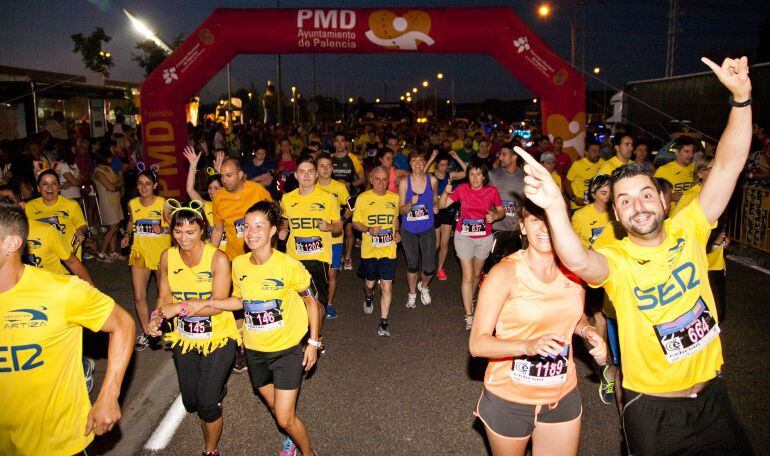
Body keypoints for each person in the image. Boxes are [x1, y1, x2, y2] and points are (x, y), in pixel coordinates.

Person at [513, 56, 754, 456]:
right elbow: (578, 260)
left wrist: (742, 100)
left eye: (645, 195)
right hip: (653, 410)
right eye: (624, 200)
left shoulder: (690, 227)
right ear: (617, 213)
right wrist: (555, 206)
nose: (637, 206)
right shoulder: (617, 259)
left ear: (663, 199)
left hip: (713, 398)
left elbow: (729, 164)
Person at [469, 199, 607, 456]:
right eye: (534, 220)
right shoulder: (504, 273)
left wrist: (587, 331)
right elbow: (478, 344)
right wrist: (527, 346)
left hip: (561, 393)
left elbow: (572, 315)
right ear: (522, 227)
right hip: (509, 398)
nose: (544, 228)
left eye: (550, 220)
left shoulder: (574, 271)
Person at [0, 196, 134, 455]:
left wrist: (109, 394)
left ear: (12, 243)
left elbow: (123, 324)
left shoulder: (62, 292)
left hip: (57, 442)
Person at [197, 201, 320, 456]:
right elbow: (240, 300)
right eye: (246, 226)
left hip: (286, 349)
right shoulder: (239, 264)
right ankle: (292, 437)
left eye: (259, 226)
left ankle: (308, 452)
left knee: (284, 417)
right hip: (255, 351)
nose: (251, 232)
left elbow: (312, 301)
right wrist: (210, 303)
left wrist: (313, 342)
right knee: (278, 410)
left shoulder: (288, 265)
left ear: (273, 230)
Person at [147, 202, 239, 456]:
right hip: (184, 337)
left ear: (202, 230)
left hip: (219, 337)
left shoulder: (218, 259)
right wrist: (156, 317)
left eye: (190, 231)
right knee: (191, 402)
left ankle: (210, 449)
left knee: (207, 404)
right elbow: (164, 297)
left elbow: (218, 305)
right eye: (178, 232)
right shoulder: (167, 257)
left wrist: (179, 308)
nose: (184, 238)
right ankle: (217, 387)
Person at [279, 156, 342, 335]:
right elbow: (284, 222)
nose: (306, 175)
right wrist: (283, 230)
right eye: (302, 172)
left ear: (315, 176)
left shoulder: (328, 198)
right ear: (296, 176)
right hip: (294, 259)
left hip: (318, 259)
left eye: (310, 171)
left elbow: (338, 227)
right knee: (296, 302)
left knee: (317, 302)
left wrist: (329, 226)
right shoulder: (287, 199)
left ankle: (315, 337)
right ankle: (302, 336)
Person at [439, 163, 504, 330]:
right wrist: (445, 193)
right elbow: (441, 206)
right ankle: (469, 315)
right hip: (464, 236)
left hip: (484, 237)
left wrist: (495, 217)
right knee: (467, 277)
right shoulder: (461, 189)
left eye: (478, 174)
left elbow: (501, 210)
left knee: (476, 275)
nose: (475, 178)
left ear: (484, 176)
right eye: (472, 174)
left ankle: (472, 296)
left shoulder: (492, 191)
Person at [671, 155, 728, 322]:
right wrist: (711, 240)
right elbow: (677, 231)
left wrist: (723, 238)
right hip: (698, 263)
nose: (716, 173)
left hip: (717, 261)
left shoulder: (719, 194)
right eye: (711, 169)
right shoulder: (690, 197)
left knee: (719, 313)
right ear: (701, 173)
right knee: (704, 315)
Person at [121, 169, 171, 351]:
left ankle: (165, 326)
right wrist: (127, 235)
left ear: (155, 186)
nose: (144, 187)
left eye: (148, 183)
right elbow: (131, 222)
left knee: (163, 294)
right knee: (139, 296)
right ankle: (147, 332)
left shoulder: (163, 204)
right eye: (140, 183)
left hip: (160, 254)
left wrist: (164, 230)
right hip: (139, 254)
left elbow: (174, 227)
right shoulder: (132, 204)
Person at [352, 166, 401, 336]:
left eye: (384, 179)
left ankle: (384, 322)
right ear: (371, 180)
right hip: (369, 249)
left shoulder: (394, 198)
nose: (381, 182)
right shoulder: (363, 198)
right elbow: (355, 223)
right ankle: (368, 296)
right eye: (377, 179)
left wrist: (396, 233)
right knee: (370, 283)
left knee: (387, 286)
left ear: (388, 181)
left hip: (388, 249)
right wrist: (368, 229)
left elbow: (395, 219)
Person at [398, 151, 438, 308]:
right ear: (410, 164)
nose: (417, 163)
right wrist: (410, 204)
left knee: (429, 268)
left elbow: (435, 197)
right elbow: (401, 210)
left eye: (421, 160)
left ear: (425, 162)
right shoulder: (404, 182)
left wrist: (435, 205)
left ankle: (424, 286)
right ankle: (412, 293)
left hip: (427, 228)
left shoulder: (432, 180)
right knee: (412, 265)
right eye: (414, 161)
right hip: (409, 229)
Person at [316, 152, 350, 320]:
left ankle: (328, 304)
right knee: (316, 274)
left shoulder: (340, 187)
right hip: (316, 239)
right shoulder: (310, 186)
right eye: (322, 166)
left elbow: (351, 207)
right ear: (316, 169)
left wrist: (341, 221)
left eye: (328, 166)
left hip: (335, 238)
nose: (326, 169)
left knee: (331, 275)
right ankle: (315, 303)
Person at [25, 169, 88, 259]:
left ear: (59, 187)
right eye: (45, 184)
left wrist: (80, 231)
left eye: (54, 184)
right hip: (43, 259)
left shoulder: (71, 205)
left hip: (68, 257)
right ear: (38, 187)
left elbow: (82, 225)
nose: (50, 187)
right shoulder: (29, 207)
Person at [486, 143, 526, 272]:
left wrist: (523, 219)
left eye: (504, 154)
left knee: (516, 264)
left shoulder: (525, 177)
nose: (500, 158)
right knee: (491, 263)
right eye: (500, 154)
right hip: (496, 227)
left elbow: (527, 204)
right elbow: (486, 199)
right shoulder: (493, 174)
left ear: (514, 157)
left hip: (515, 229)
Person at [429, 150, 467, 281]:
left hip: (448, 210)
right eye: (441, 164)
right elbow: (420, 174)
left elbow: (468, 172)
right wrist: (432, 157)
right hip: (435, 211)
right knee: (436, 244)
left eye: (446, 164)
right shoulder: (431, 176)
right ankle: (427, 266)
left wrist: (457, 157)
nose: (444, 167)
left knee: (445, 244)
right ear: (437, 165)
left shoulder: (450, 175)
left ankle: (440, 268)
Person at [330, 133, 365, 271]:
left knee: (349, 229)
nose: (339, 143)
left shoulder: (353, 159)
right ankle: (336, 255)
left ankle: (348, 256)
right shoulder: (330, 159)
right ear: (333, 143)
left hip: (350, 197)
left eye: (342, 140)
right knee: (336, 228)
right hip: (333, 199)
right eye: (337, 141)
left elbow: (362, 179)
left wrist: (349, 184)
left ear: (346, 143)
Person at [183, 146, 226, 252]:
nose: (212, 191)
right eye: (210, 188)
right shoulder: (206, 205)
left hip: (231, 256)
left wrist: (220, 173)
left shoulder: (233, 205)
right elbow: (190, 190)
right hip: (211, 256)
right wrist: (193, 166)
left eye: (216, 188)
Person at [93, 150, 125, 262]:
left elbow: (119, 182)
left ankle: (112, 251)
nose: (112, 157)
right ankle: (101, 252)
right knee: (112, 227)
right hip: (107, 203)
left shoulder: (109, 169)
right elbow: (111, 187)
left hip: (115, 201)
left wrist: (115, 185)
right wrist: (115, 185)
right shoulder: (98, 172)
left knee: (116, 227)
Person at [654, 137, 697, 211]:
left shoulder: (696, 168)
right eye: (686, 151)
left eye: (692, 152)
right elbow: (654, 195)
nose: (691, 155)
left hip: (693, 215)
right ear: (677, 152)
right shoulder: (663, 170)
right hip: (673, 217)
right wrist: (670, 197)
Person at [566, 141, 604, 209]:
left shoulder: (603, 163)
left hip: (597, 204)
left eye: (598, 151)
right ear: (586, 153)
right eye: (594, 151)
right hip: (580, 205)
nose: (597, 154)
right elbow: (567, 183)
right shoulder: (577, 165)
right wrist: (574, 198)